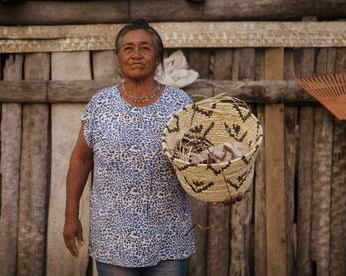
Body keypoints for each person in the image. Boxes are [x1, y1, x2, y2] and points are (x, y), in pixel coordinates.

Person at [63, 19, 242, 276]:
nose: (136, 54)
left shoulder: (178, 102)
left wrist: (222, 187)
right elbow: (81, 160)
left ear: (158, 57)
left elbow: (197, 161)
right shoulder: (100, 104)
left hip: (168, 237)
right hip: (114, 237)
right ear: (118, 57)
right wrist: (71, 216)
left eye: (145, 48)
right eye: (128, 48)